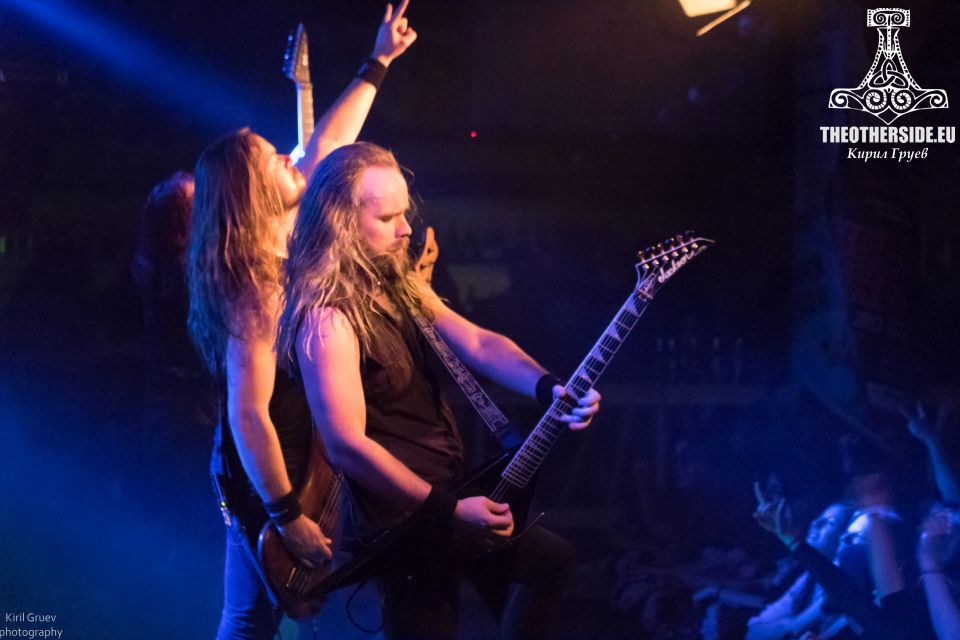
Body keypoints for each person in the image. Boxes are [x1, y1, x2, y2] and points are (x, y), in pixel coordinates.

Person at [276, 142, 602, 640]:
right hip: (404, 521)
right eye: (387, 218)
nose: (406, 229)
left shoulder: (397, 283)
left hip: (450, 496)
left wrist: (549, 387)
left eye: (404, 213)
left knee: (551, 562)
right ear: (342, 224)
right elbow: (346, 445)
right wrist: (448, 510)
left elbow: (476, 341)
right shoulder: (328, 320)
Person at [186, 5, 417, 639]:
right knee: (250, 620)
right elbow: (248, 414)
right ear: (252, 194)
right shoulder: (255, 290)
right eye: (273, 159)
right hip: (263, 469)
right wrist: (285, 514)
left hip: (285, 456)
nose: (291, 158)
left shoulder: (288, 232)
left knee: (253, 616)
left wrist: (379, 60)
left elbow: (328, 146)